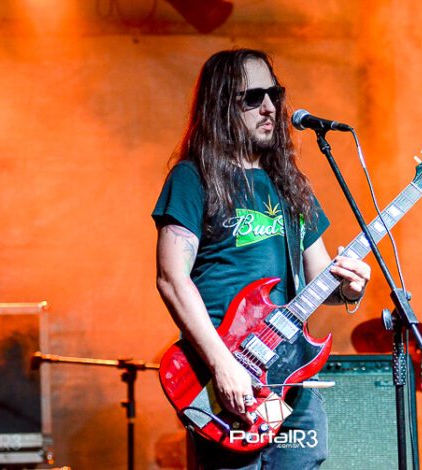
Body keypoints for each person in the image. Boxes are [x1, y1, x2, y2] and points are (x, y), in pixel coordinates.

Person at [152, 48, 371, 470]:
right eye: (253, 97)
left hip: (286, 375)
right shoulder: (193, 178)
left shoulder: (290, 184)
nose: (270, 107)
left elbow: (320, 281)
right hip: (224, 375)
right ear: (221, 105)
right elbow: (171, 279)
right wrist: (222, 365)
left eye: (274, 94)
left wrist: (348, 287)